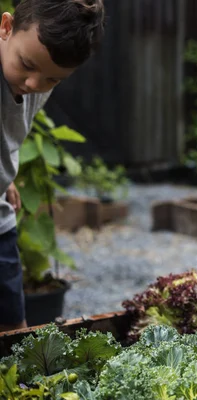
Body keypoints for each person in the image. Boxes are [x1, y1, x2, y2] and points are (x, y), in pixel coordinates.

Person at [0, 0, 105, 332]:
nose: (33, 84)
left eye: (51, 80)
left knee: (16, 330)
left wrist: (6, 176)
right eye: (27, 65)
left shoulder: (35, 73)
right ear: (5, 29)